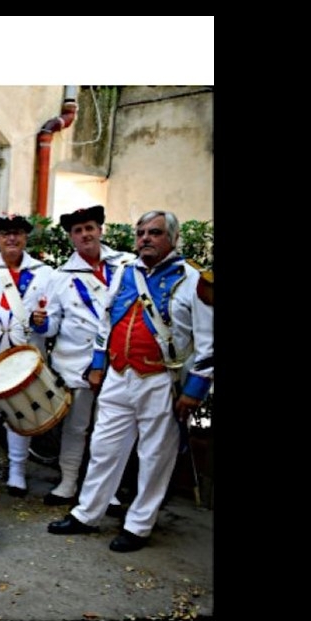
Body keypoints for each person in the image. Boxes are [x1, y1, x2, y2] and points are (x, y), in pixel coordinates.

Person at [48, 210, 213, 552]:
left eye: (155, 232)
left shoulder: (193, 279)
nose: (145, 239)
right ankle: (87, 513)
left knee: (155, 455)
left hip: (162, 380)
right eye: (141, 233)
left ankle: (139, 525)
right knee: (103, 447)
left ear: (173, 238)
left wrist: (194, 390)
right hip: (118, 374)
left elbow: (209, 342)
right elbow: (106, 322)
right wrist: (98, 364)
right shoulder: (125, 271)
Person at [42, 205, 135, 505]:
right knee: (76, 426)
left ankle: (107, 490)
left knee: (112, 429)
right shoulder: (60, 276)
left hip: (119, 360)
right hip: (76, 362)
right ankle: (68, 482)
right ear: (71, 237)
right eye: (78, 231)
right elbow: (52, 325)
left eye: (89, 228)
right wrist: (39, 322)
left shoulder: (127, 264)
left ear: (100, 230)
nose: (85, 235)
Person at [0, 213, 53, 496]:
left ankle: (17, 471)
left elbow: (55, 318)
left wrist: (44, 322)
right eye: (5, 234)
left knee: (21, 414)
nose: (11, 238)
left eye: (17, 233)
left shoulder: (44, 273)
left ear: (26, 237)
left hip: (23, 357)